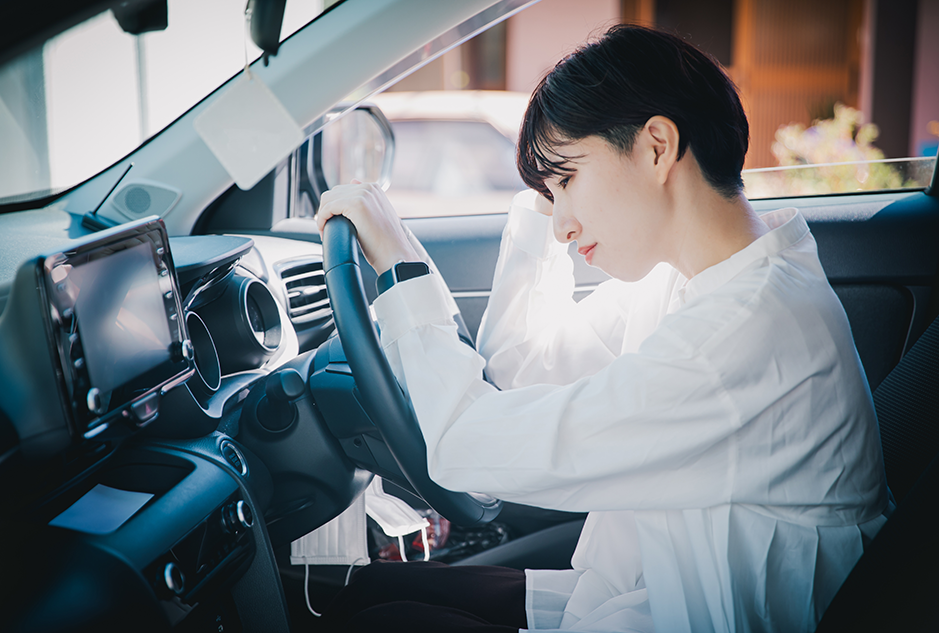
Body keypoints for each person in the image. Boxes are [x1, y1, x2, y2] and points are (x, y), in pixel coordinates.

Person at [314, 24, 889, 633]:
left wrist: (401, 268)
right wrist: (546, 183)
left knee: (381, 620)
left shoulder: (739, 336)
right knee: (365, 593)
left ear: (657, 147)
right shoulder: (698, 283)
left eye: (568, 180)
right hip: (641, 598)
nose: (561, 225)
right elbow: (518, 366)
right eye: (550, 191)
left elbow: (466, 448)